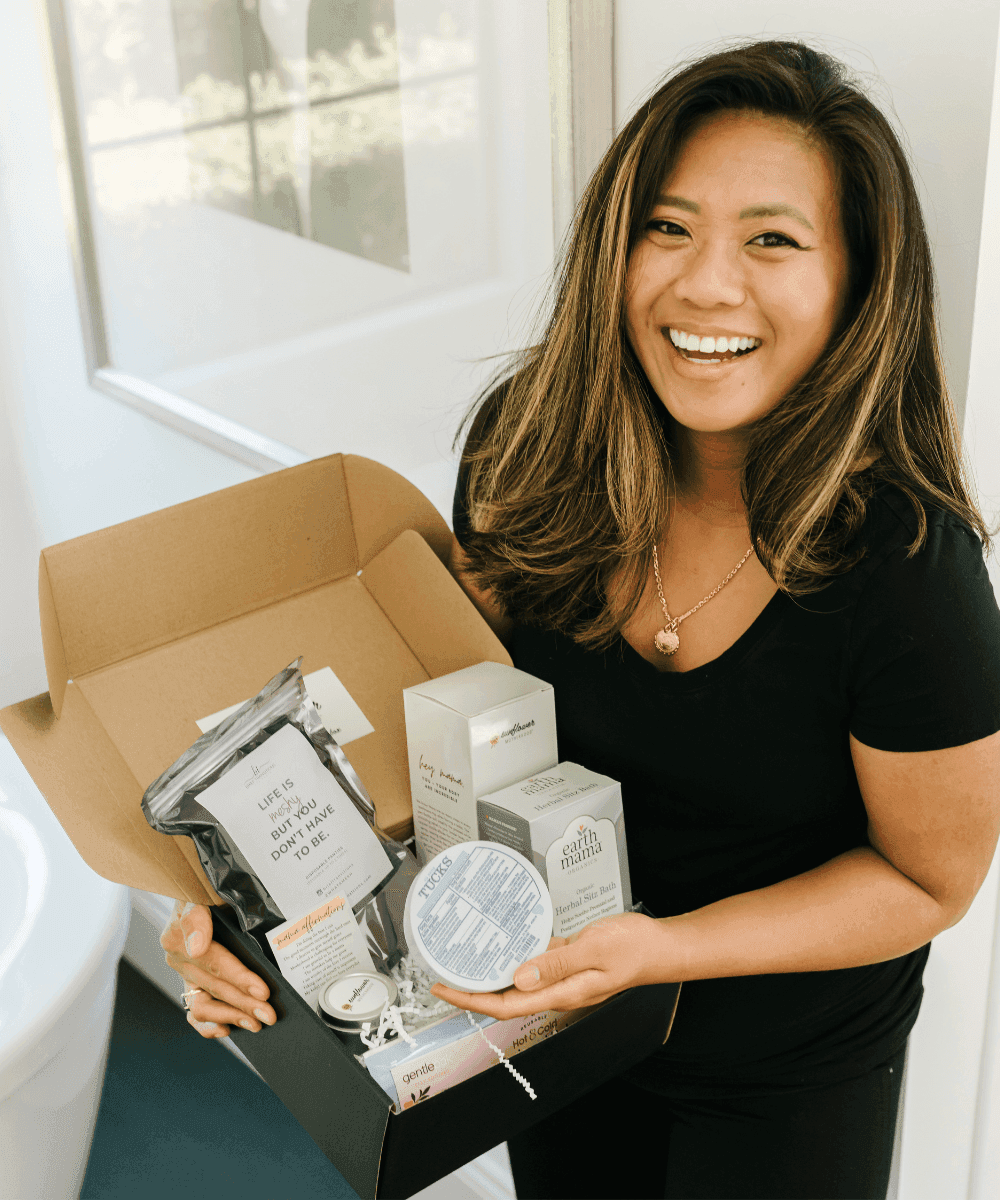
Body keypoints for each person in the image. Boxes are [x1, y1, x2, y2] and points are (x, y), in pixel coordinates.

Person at [161, 39, 1000, 1200]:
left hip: (786, 1067)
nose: (707, 284)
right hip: (553, 1023)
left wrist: (663, 952)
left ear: (856, 282)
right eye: (666, 228)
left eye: (772, 238)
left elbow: (929, 885)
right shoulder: (526, 450)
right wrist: (245, 913)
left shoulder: (904, 562)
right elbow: (434, 739)